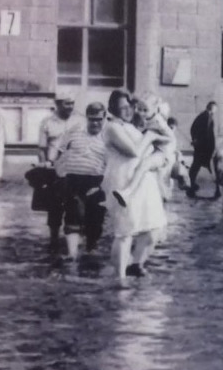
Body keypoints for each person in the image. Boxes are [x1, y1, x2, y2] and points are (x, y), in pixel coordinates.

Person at [103, 91, 169, 281]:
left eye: (129, 106)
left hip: (145, 181)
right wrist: (149, 136)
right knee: (125, 231)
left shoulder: (132, 126)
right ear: (113, 109)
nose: (127, 111)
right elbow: (133, 152)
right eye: (122, 108)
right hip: (122, 180)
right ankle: (120, 276)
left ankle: (136, 264)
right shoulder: (112, 127)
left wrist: (160, 155)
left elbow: (165, 141)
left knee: (153, 229)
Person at [49, 103, 109, 260]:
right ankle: (72, 254)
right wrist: (53, 164)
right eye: (92, 119)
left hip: (97, 181)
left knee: (95, 216)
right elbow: (59, 149)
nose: (95, 123)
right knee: (72, 214)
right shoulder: (74, 130)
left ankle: (91, 248)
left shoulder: (109, 135)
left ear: (104, 118)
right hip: (73, 179)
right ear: (86, 118)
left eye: (98, 119)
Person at [37, 92, 85, 248]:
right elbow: (41, 148)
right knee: (54, 205)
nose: (70, 107)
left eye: (72, 103)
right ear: (57, 104)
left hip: (75, 169)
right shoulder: (47, 122)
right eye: (66, 103)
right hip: (54, 169)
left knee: (77, 204)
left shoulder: (80, 120)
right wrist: (44, 165)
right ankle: (54, 238)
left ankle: (77, 238)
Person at [112, 92, 176, 207]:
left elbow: (171, 138)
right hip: (153, 150)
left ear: (155, 109)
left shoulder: (158, 122)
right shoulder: (141, 117)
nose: (141, 113)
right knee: (140, 167)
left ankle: (128, 192)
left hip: (163, 153)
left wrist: (155, 137)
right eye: (139, 109)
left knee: (144, 166)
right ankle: (131, 193)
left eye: (145, 110)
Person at [188, 101, 217, 197]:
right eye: (215, 108)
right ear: (211, 108)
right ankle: (218, 189)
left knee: (196, 167)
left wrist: (195, 140)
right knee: (211, 167)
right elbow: (197, 130)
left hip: (203, 147)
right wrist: (195, 140)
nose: (216, 110)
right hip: (204, 148)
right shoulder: (205, 117)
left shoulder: (206, 116)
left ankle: (191, 185)